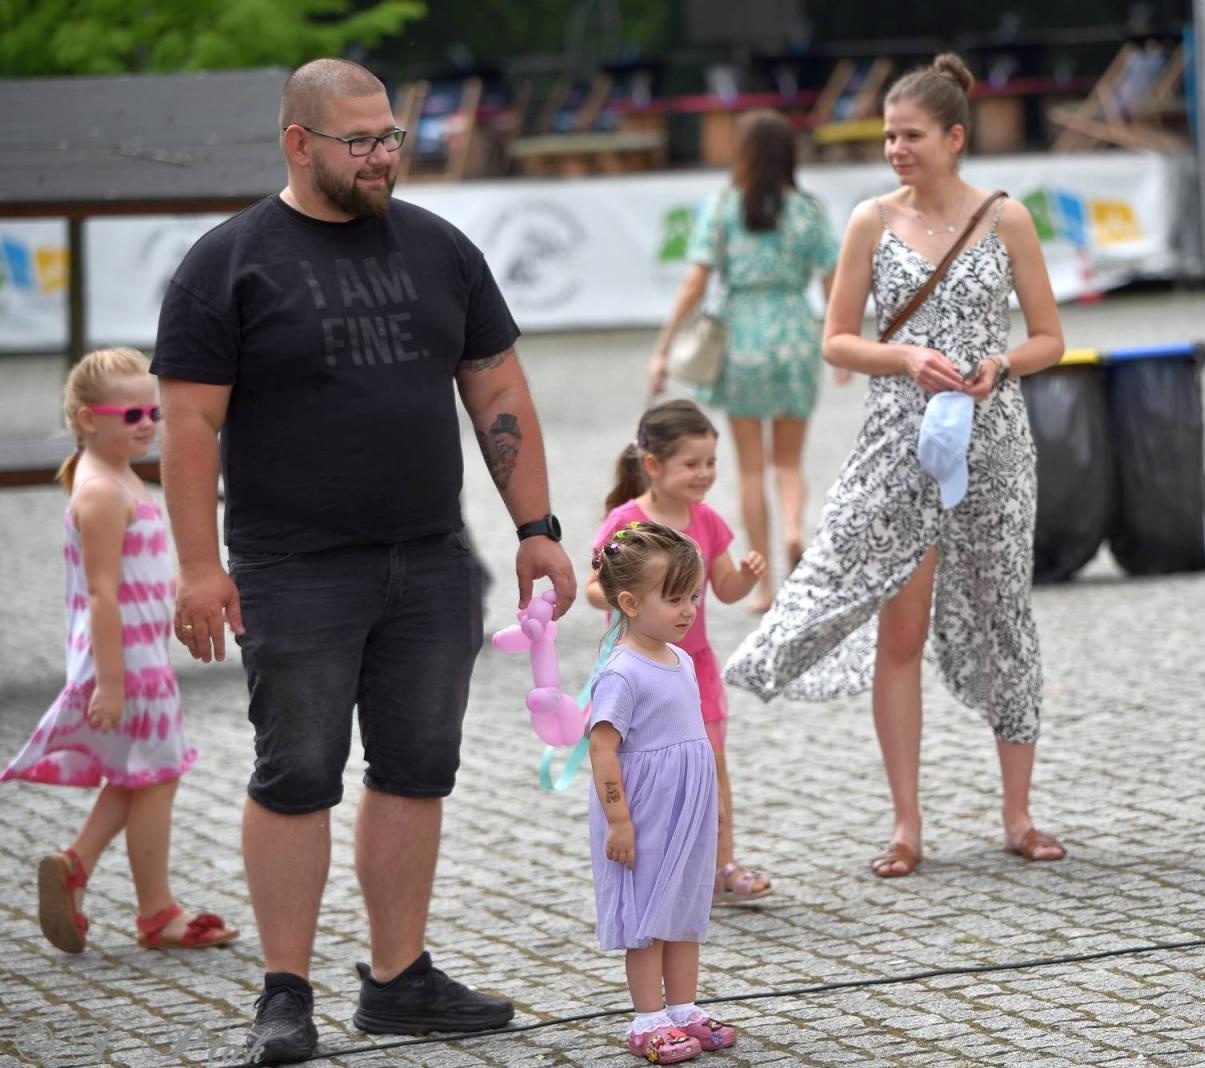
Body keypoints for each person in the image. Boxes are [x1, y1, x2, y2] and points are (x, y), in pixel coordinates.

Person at [151, 58, 576, 1065]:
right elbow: (188, 426)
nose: (385, 155)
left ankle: (397, 981)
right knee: (296, 774)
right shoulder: (228, 264)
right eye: (361, 141)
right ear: (300, 144)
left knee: (417, 770)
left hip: (430, 562)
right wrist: (199, 567)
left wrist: (536, 528)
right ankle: (284, 994)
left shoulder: (440, 249)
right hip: (292, 566)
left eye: (391, 135)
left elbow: (497, 388)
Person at [724, 54, 1068, 877]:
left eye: (910, 135)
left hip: (993, 442)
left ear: (954, 137)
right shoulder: (869, 221)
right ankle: (906, 825)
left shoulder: (1007, 220)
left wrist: (1001, 366)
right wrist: (903, 356)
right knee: (900, 632)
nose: (895, 149)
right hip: (899, 442)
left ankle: (1018, 815)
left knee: (1003, 619)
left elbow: (1050, 337)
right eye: (887, 136)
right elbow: (837, 339)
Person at [3, 348, 239, 955]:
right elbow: (102, 593)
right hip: (128, 663)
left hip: (133, 658)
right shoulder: (104, 490)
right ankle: (157, 913)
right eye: (130, 413)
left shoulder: (114, 473)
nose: (146, 425)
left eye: (153, 414)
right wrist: (112, 683)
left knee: (138, 777)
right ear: (87, 419)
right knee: (158, 777)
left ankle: (76, 863)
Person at [648, 110, 840, 612]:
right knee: (789, 461)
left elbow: (695, 283)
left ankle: (766, 583)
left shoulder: (724, 208)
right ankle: (796, 529)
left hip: (743, 337)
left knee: (751, 468)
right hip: (796, 330)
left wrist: (664, 347)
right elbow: (831, 282)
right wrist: (841, 344)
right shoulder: (810, 212)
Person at [589, 399, 773, 906]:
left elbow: (727, 588)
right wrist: (629, 595)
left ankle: (721, 864)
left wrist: (747, 577)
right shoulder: (627, 523)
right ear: (653, 465)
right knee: (648, 769)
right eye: (691, 464)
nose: (705, 473)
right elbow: (592, 588)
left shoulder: (707, 521)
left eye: (711, 462)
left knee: (711, 764)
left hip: (695, 672)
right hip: (639, 672)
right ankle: (654, 857)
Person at [588, 521, 739, 1062]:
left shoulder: (682, 660)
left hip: (686, 808)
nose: (688, 610)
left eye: (693, 596)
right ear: (629, 602)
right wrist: (619, 821)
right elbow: (603, 750)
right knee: (646, 915)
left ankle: (683, 1009)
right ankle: (647, 1019)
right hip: (644, 810)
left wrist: (710, 805)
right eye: (673, 598)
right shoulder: (622, 673)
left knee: (683, 907)